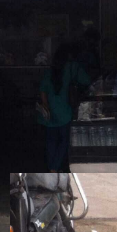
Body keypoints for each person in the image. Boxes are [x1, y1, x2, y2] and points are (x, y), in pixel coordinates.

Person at [38, 44, 90, 172]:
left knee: (51, 142)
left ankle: (52, 168)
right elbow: (87, 81)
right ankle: (55, 167)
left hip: (49, 113)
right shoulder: (72, 67)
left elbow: (42, 90)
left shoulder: (49, 72)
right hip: (65, 112)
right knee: (64, 141)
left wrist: (46, 106)